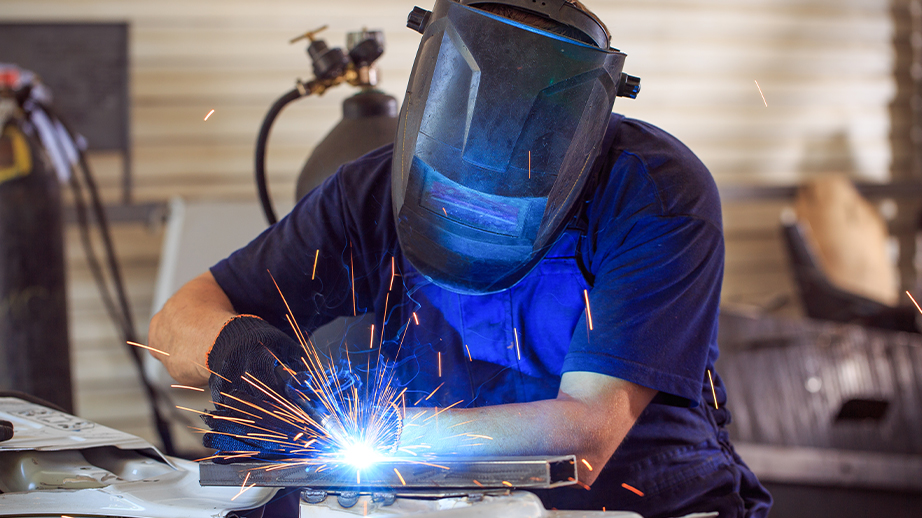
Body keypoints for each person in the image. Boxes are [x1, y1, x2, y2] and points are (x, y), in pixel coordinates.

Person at [149, 0, 772, 516]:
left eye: (506, 207)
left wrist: (381, 432)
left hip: (644, 504)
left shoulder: (656, 195)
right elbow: (175, 321)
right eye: (446, 199)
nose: (474, 216)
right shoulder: (368, 192)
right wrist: (237, 346)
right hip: (453, 502)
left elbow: (585, 438)